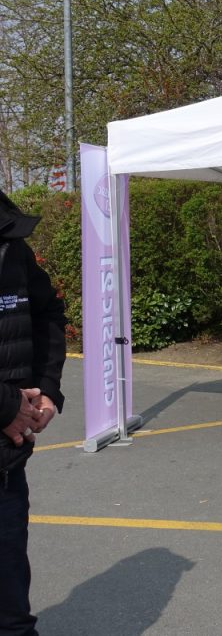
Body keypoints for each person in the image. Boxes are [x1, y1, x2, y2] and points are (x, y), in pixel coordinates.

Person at [1, 189, 66, 635]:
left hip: (7, 456)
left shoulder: (12, 236)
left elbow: (47, 314)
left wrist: (45, 390)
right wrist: (5, 407)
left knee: (11, 610)